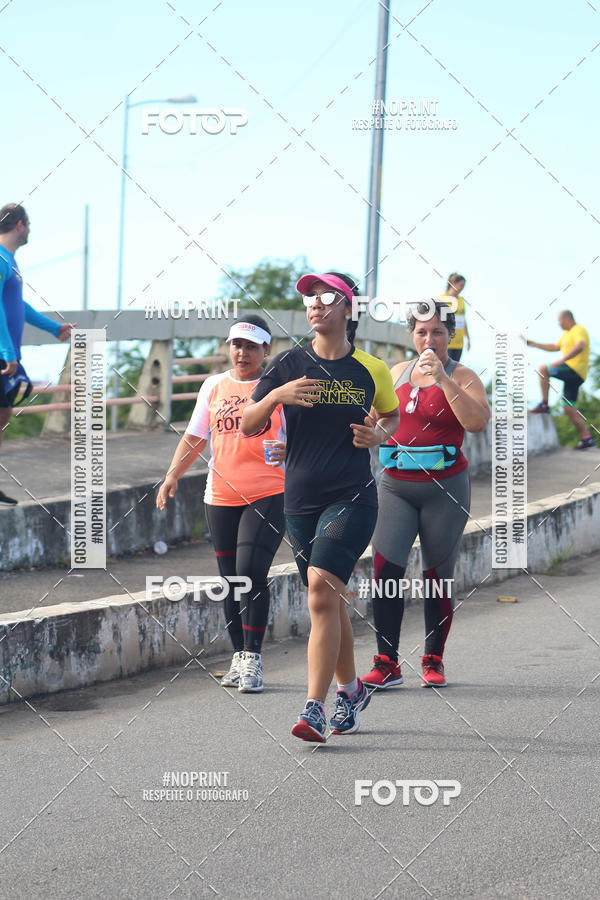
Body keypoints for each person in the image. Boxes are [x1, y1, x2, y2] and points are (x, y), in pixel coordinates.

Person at [241, 272, 400, 743]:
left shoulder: (371, 369)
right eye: (310, 298)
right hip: (299, 501)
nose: (315, 304)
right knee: (327, 599)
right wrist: (276, 395)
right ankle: (351, 690)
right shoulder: (288, 363)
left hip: (352, 496)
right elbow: (248, 423)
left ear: (348, 308)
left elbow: (392, 415)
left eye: (327, 296)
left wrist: (379, 434)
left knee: (319, 591)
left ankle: (314, 708)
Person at [361, 300, 490, 691]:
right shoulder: (397, 372)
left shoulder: (463, 376)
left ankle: (433, 659)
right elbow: (373, 422)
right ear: (412, 336)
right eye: (421, 332)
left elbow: (477, 423)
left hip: (445, 489)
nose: (429, 339)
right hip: (395, 485)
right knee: (386, 573)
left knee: (436, 576)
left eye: (437, 332)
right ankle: (387, 663)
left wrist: (444, 379)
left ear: (451, 335)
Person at [156, 314, 286, 693]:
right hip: (221, 495)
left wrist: (289, 448)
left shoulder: (278, 387)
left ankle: (254, 660)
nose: (242, 353)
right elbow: (196, 436)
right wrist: (172, 475)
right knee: (230, 580)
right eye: (236, 345)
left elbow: (304, 436)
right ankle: (238, 657)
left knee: (250, 572)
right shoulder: (213, 386)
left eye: (251, 347)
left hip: (268, 491)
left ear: (266, 350)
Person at [0, 203, 76, 505]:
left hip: (5, 353)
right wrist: (8, 351)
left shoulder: (9, 261)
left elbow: (18, 306)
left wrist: (53, 327)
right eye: (28, 225)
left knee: (3, 412)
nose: (29, 230)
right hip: (3, 354)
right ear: (19, 225)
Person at [527, 310, 594, 449]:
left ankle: (544, 404)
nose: (559, 324)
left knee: (544, 369)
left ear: (568, 319)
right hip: (575, 377)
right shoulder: (566, 334)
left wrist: (562, 360)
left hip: (573, 370)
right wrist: (535, 344)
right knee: (568, 408)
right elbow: (555, 347)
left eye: (560, 321)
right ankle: (587, 438)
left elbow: (580, 346)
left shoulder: (578, 329)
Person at [440, 273, 470, 362]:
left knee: (455, 369)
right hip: (446, 343)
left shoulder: (461, 301)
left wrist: (468, 338)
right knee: (445, 368)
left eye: (464, 286)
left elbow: (463, 320)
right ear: (452, 283)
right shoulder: (442, 299)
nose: (462, 288)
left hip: (459, 344)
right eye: (461, 285)